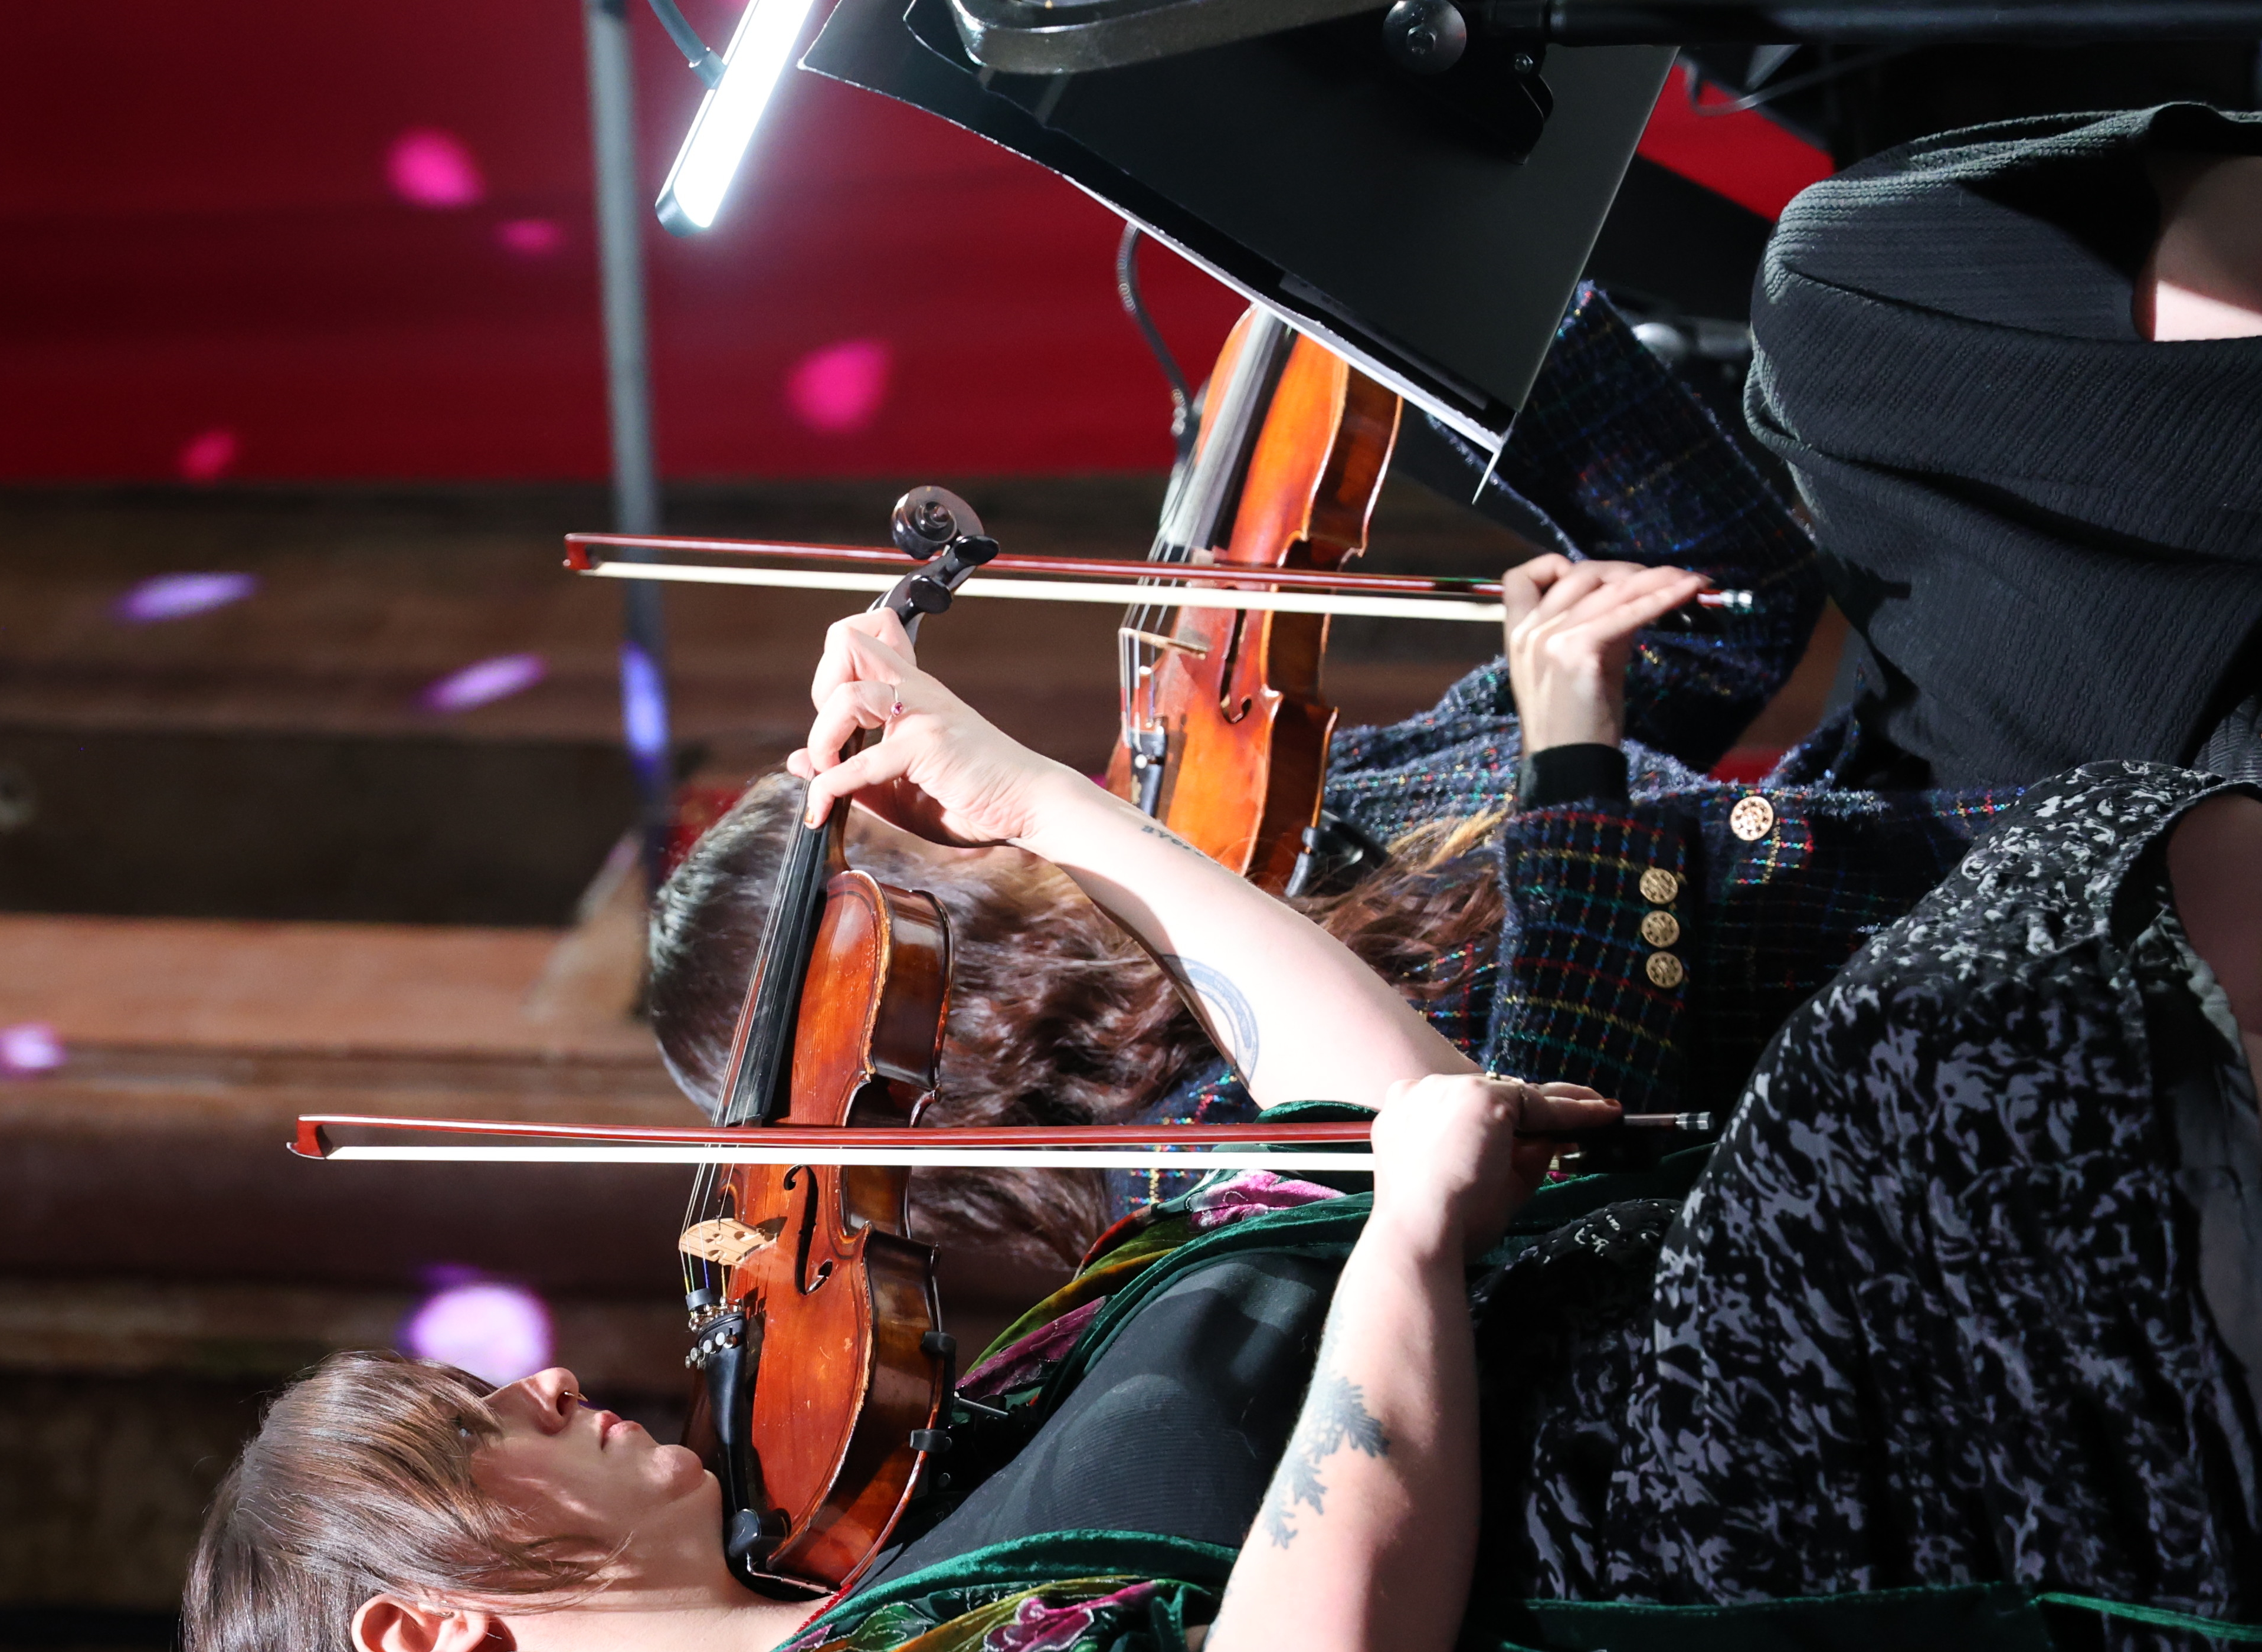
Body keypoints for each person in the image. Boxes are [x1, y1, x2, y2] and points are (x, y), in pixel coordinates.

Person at [192, 606, 2262, 1652]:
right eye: (478, 1431)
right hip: (1760, 1635)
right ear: (420, 1626)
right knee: (2001, 994)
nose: (548, 1385)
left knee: (2049, 934)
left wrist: (1031, 799)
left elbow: (1367, 1114)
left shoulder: (920, 1536)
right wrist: (1418, 1256)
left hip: (1715, 1444)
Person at [655, 103, 2262, 1271]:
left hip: (1945, 790)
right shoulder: (1208, 1172)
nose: (970, 799)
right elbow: (1580, 1178)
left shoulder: (1273, 826)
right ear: (924, 974)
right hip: (1998, 992)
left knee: (1855, 291)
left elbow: (1736, 614)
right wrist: (1570, 768)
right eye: (919, 831)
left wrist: (1425, 312)